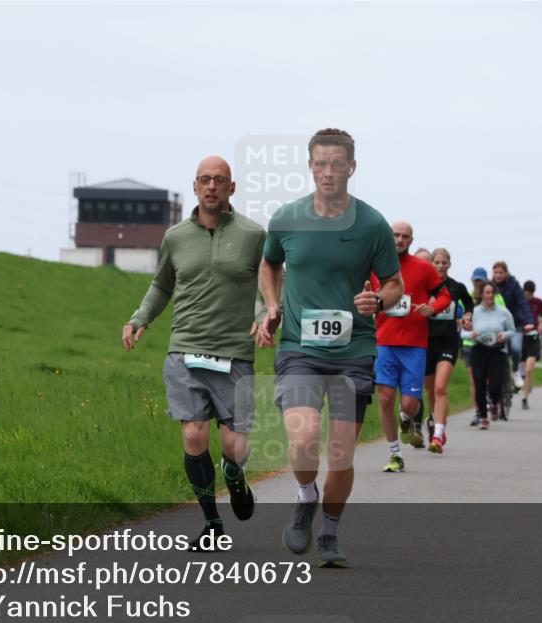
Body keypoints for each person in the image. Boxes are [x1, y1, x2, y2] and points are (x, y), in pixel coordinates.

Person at [257, 128, 403, 568]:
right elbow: (269, 262)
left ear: (351, 168)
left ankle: (330, 534)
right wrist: (272, 305)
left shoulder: (372, 223)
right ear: (309, 165)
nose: (328, 171)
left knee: (340, 454)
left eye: (337, 163)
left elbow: (395, 285)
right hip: (299, 347)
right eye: (320, 163)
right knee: (302, 440)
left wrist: (377, 301)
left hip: (354, 350)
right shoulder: (286, 218)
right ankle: (305, 496)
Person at [123, 156, 265, 551]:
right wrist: (139, 318)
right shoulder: (175, 237)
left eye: (220, 180)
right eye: (205, 180)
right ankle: (213, 523)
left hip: (235, 352)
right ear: (195, 185)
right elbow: (161, 285)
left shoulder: (254, 235)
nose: (212, 187)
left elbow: (273, 281)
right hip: (185, 349)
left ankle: (234, 475)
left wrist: (270, 310)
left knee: (235, 445)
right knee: (193, 433)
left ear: (231, 188)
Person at [373, 224, 450, 471]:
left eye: (405, 236)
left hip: (415, 345)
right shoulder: (376, 265)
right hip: (384, 342)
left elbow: (444, 296)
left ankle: (406, 418)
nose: (400, 239)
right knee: (385, 398)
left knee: (409, 404)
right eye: (396, 235)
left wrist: (433, 308)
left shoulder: (424, 268)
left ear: (411, 240)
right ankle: (395, 454)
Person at [414, 247, 475, 453]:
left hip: (448, 342)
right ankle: (434, 419)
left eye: (444, 262)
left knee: (441, 387)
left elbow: (469, 302)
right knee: (430, 390)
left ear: (449, 264)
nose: (440, 266)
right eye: (436, 262)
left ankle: (438, 435)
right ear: (430, 264)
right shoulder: (424, 286)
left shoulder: (456, 287)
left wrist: (467, 316)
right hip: (425, 342)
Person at [460, 281, 515, 431]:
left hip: (497, 350)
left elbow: (512, 330)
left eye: (492, 292)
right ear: (482, 295)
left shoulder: (503, 312)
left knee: (495, 385)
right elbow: (462, 332)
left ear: (495, 294)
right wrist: (470, 334)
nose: (490, 295)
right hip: (479, 349)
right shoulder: (474, 312)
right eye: (487, 292)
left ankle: (495, 402)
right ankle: (484, 417)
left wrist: (505, 335)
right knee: (479, 382)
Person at [464, 267, 505, 426]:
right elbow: (462, 318)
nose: (478, 283)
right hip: (471, 344)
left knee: (491, 380)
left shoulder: (497, 297)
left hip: (493, 344)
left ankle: (492, 401)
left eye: (481, 280)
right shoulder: (467, 296)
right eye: (476, 280)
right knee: (475, 380)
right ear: (472, 280)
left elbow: (502, 315)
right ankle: (479, 412)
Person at [491, 261, 536, 389]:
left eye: (501, 272)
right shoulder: (490, 286)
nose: (498, 275)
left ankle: (516, 371)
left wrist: (529, 321)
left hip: (515, 324)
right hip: (496, 325)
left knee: (516, 348)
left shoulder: (514, 285)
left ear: (506, 273)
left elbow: (523, 303)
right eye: (496, 273)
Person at [521, 280, 542, 410]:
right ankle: (524, 384)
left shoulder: (538, 302)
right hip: (520, 338)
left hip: (534, 338)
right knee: (521, 371)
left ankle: (524, 398)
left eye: (530, 294)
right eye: (526, 294)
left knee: (529, 369)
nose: (528, 296)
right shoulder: (519, 301)